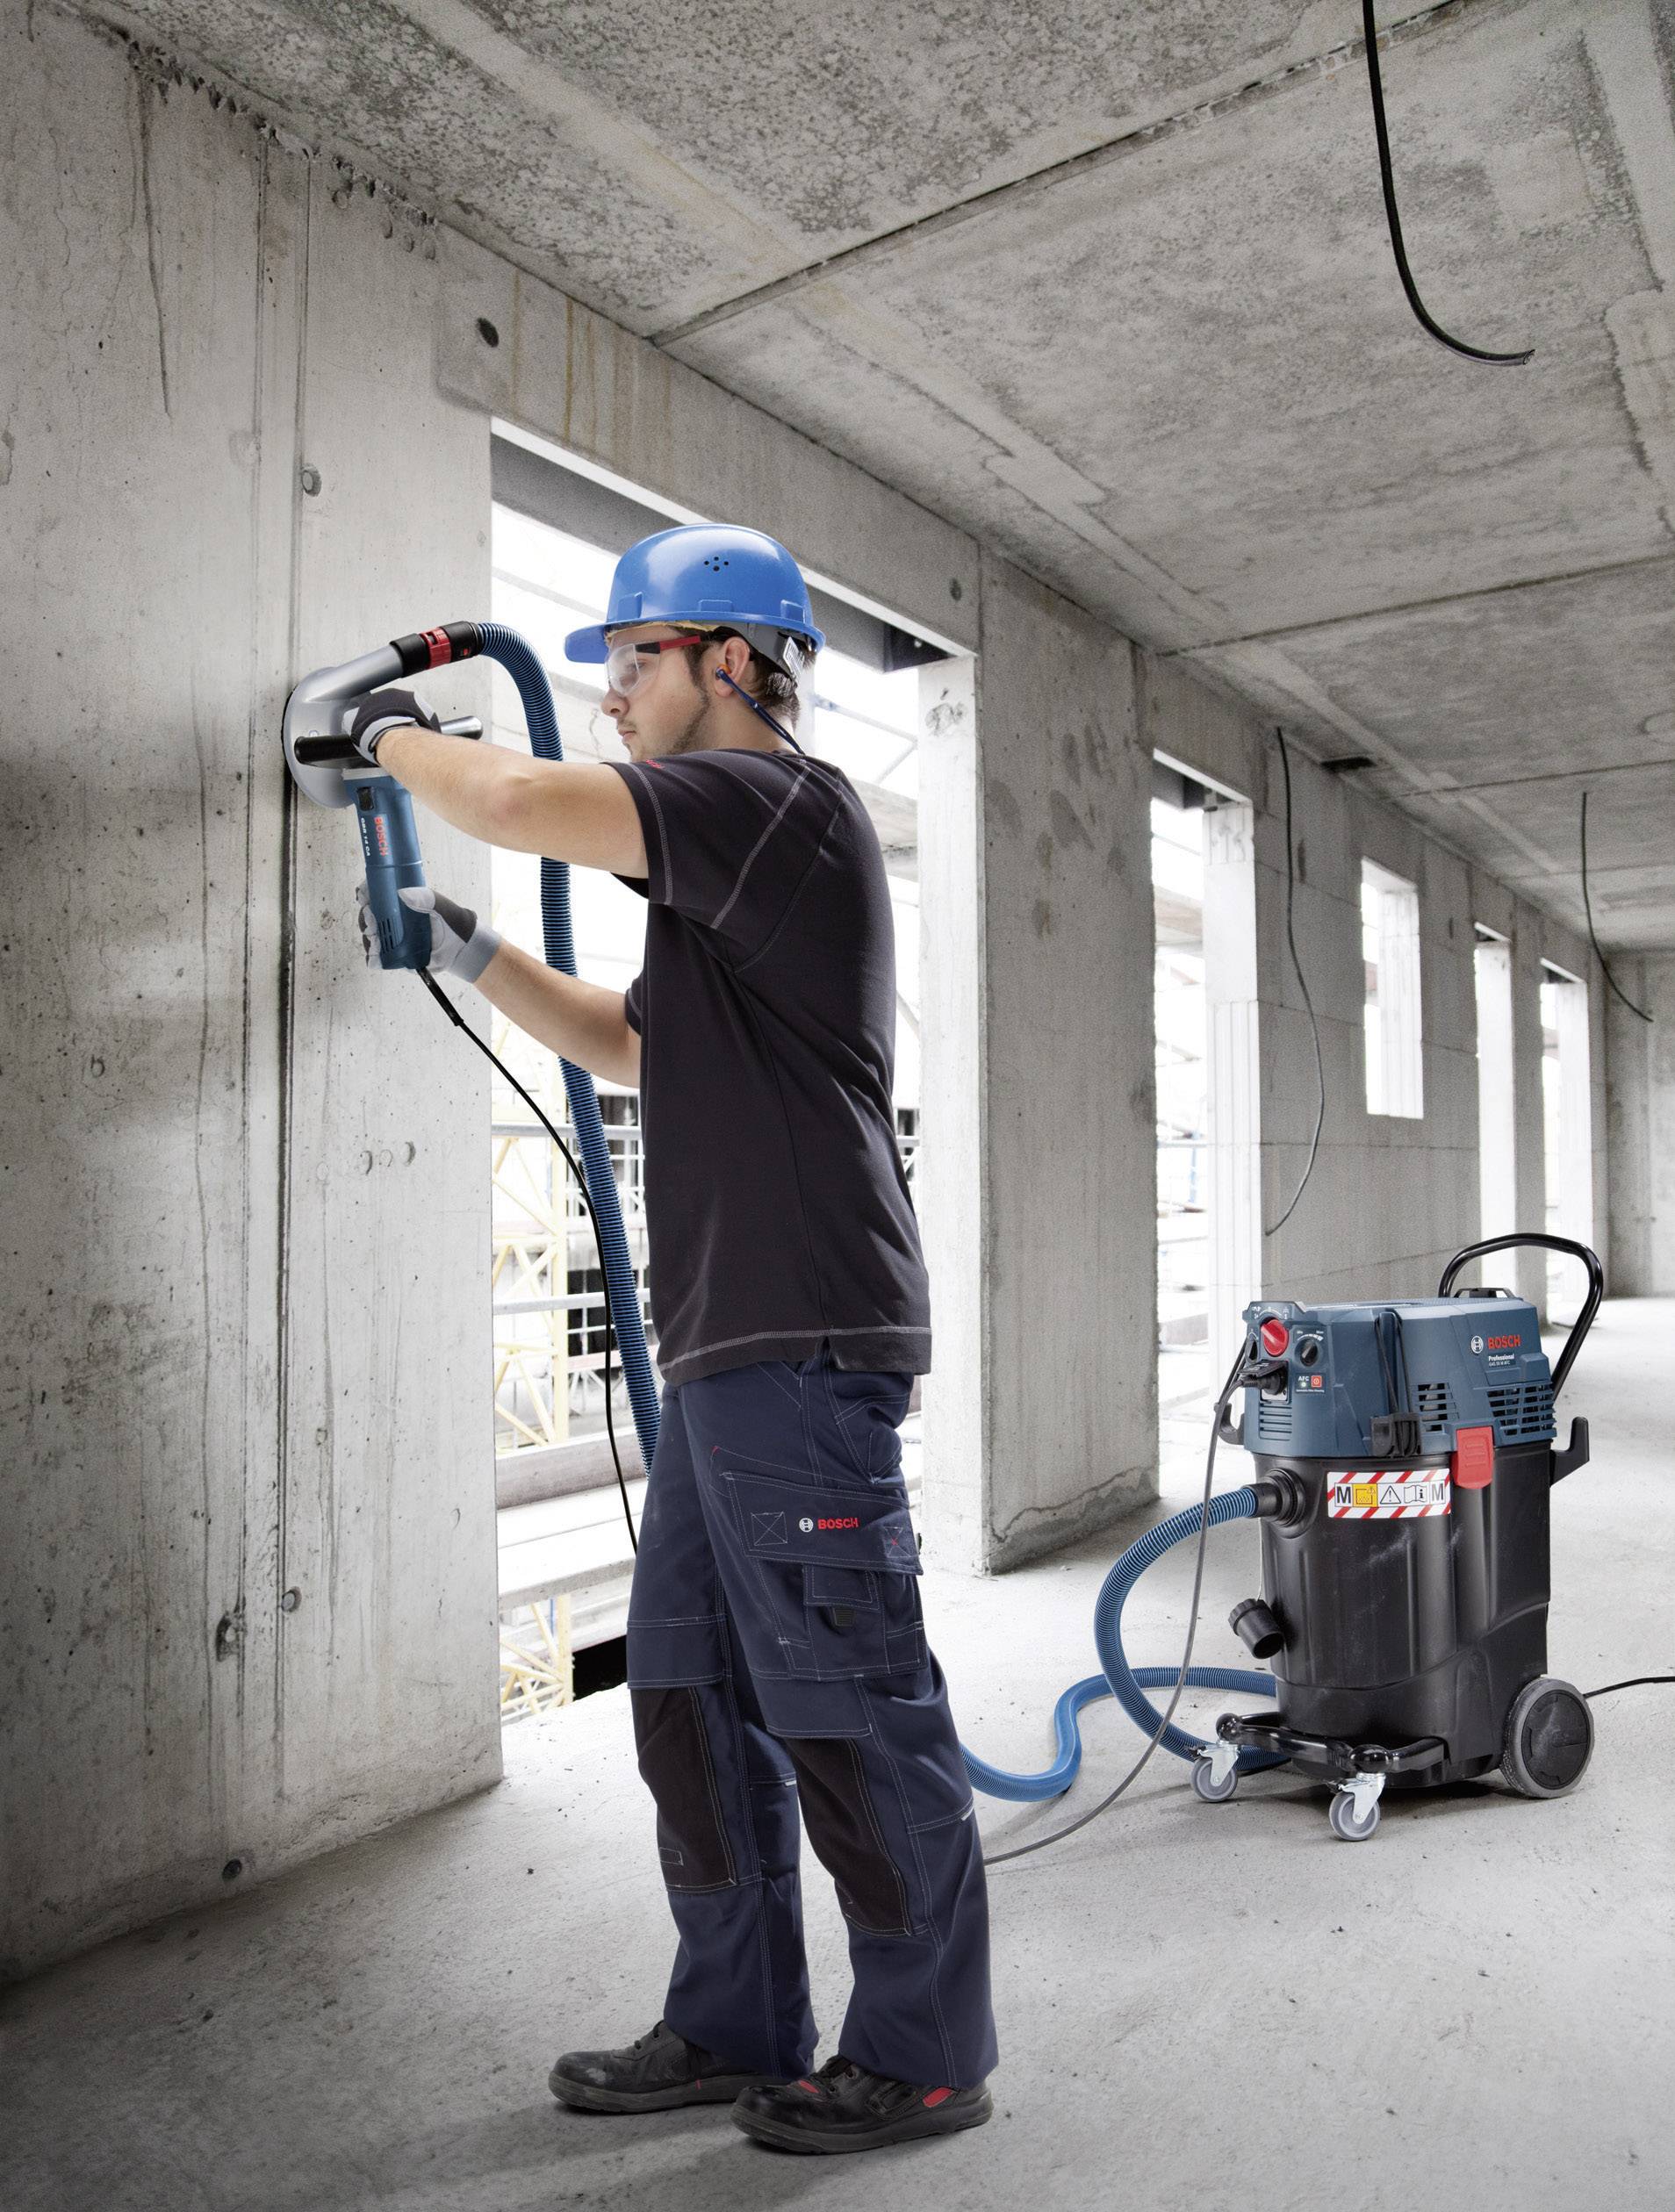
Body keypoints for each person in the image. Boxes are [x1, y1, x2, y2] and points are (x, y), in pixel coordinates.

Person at [349, 523, 996, 2156]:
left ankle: (925, 2052)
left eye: (633, 660)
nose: (615, 696)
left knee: (845, 1701)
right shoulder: (728, 874)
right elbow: (629, 1048)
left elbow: (507, 798)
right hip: (728, 1346)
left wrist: (380, 732)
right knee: (692, 1692)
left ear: (729, 659)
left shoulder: (775, 802)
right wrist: (466, 946)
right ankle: (734, 2019)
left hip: (803, 1331)